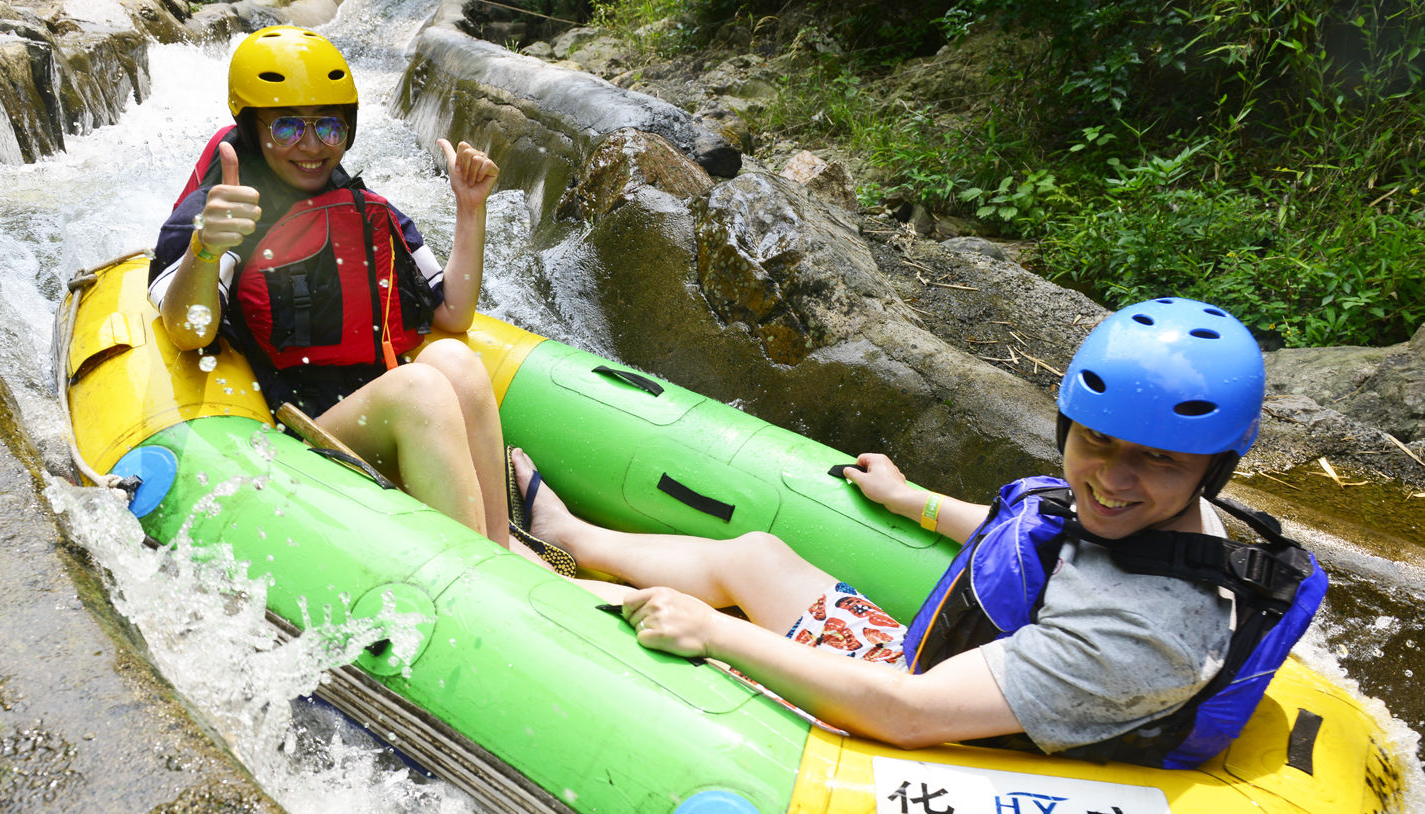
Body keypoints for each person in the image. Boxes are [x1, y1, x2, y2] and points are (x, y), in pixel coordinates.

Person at [510, 297, 1325, 767]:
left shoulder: (1141, 633)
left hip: (939, 745)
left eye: (1155, 461)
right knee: (758, 557)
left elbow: (905, 715)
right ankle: (571, 532)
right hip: (951, 674)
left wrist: (715, 638)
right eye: (1096, 442)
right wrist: (913, 502)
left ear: (1212, 470)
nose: (1112, 478)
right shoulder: (1162, 516)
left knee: (685, 632)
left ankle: (519, 571)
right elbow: (1049, 533)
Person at [149, 26, 514, 549]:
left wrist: (470, 209)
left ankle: (499, 551)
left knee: (454, 361)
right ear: (252, 129)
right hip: (289, 435)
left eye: (329, 127)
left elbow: (452, 314)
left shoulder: (363, 206)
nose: (313, 147)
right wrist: (206, 247)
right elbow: (187, 332)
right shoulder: (224, 211)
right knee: (420, 389)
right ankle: (483, 581)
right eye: (287, 128)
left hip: (365, 411)